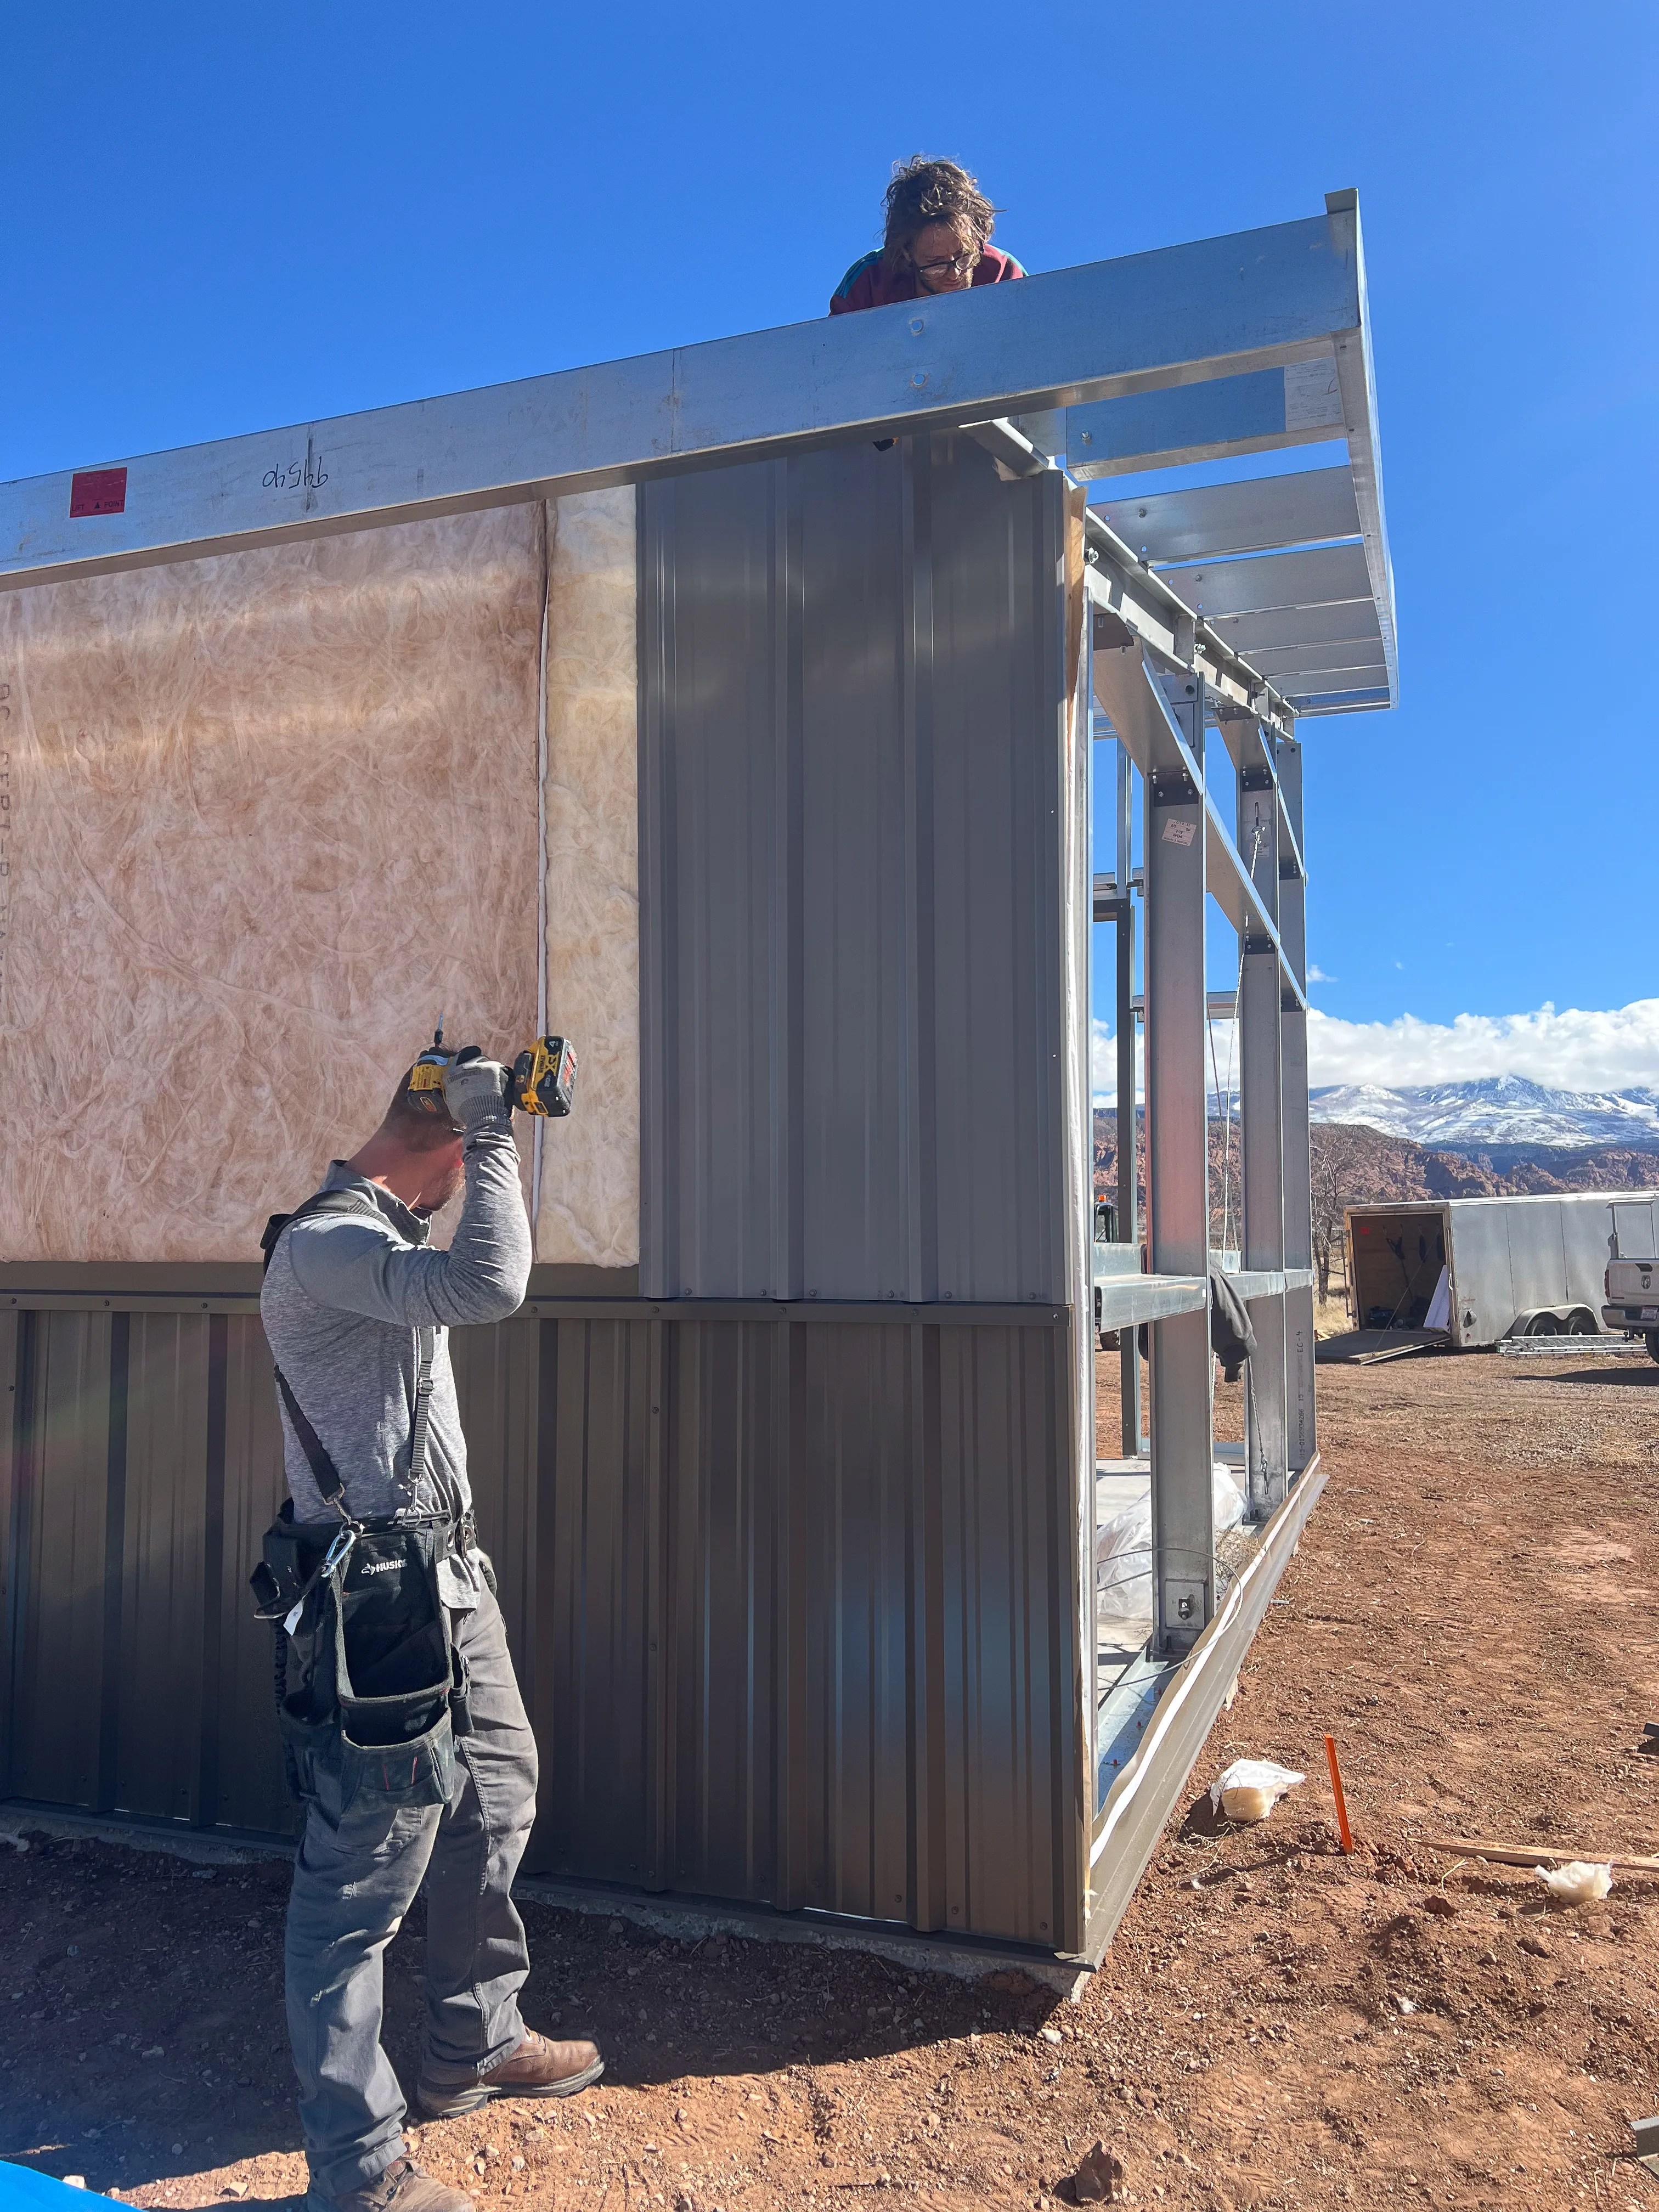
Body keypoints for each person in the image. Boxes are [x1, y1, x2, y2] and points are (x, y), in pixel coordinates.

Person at [260, 1048, 602, 2212]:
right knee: (357, 1887)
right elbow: (492, 1283)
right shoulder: (324, 1246)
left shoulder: (379, 1244)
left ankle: (473, 2039)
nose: (479, 1171)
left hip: (449, 1583)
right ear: (446, 1144)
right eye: (474, 1154)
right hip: (377, 1610)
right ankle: (357, 2170)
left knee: (500, 1792)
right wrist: (494, 1126)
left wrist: (491, 1116)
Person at [830, 155, 1025, 316]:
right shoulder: (869, 284)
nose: (955, 274)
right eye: (937, 263)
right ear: (907, 254)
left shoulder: (1005, 275)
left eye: (965, 256)